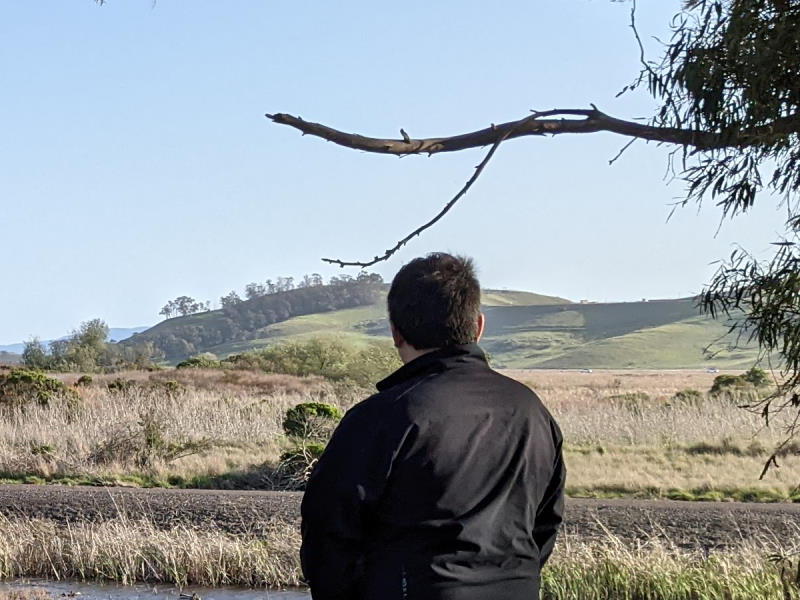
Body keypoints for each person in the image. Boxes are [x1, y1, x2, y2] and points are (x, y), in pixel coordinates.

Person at [300, 253, 566, 600]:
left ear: (396, 332)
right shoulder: (532, 411)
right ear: (478, 326)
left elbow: (326, 535)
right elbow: (545, 523)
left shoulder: (381, 418)